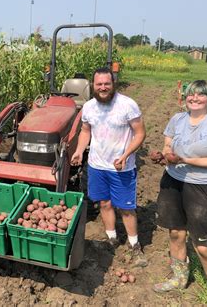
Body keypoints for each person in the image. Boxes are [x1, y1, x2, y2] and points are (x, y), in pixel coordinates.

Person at [153, 80, 207, 307]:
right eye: (190, 95)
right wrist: (165, 155)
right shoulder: (177, 120)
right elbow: (169, 146)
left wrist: (185, 159)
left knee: (203, 245)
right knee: (176, 233)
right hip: (173, 182)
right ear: (185, 97)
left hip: (202, 187)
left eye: (200, 95)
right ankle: (179, 279)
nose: (194, 98)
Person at [71, 67, 147, 267]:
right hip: (97, 165)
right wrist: (79, 150)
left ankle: (134, 244)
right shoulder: (88, 107)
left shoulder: (127, 105)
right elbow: (85, 131)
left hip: (121, 167)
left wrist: (125, 155)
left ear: (113, 84)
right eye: (99, 84)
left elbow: (140, 134)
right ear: (93, 86)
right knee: (104, 203)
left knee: (126, 208)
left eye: (107, 83)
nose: (103, 87)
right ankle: (112, 238)